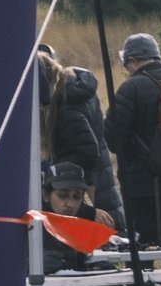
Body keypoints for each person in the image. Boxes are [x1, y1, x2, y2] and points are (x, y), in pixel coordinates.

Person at [104, 32, 161, 244]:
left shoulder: (131, 87)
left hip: (142, 187)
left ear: (133, 61)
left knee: (146, 250)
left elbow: (113, 139)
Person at [37, 48, 122, 226]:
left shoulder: (64, 106)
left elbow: (86, 152)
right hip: (95, 184)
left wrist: (56, 178)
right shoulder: (72, 95)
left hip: (83, 191)